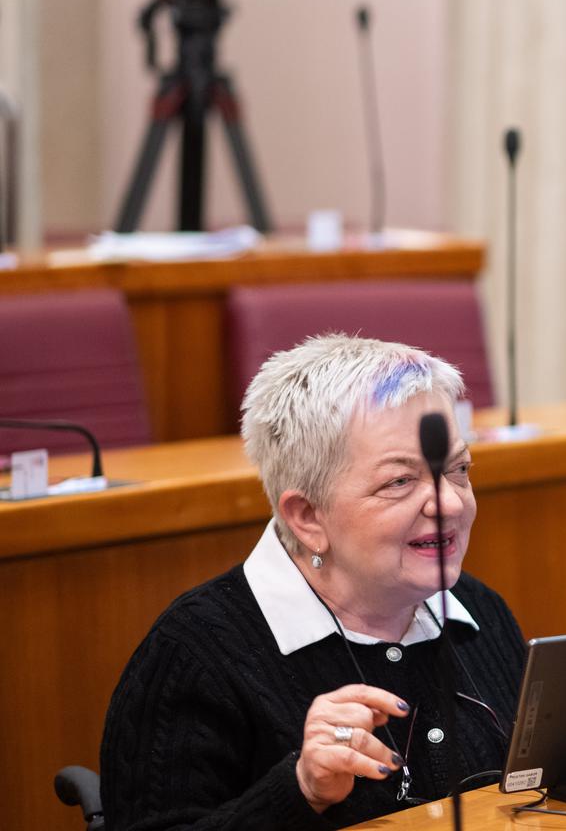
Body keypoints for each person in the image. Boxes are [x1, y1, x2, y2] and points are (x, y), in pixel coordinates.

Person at [101, 335, 525, 829]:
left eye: (458, 470)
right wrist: (300, 790)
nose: (450, 504)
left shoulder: (477, 611)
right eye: (399, 482)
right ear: (307, 517)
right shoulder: (195, 655)